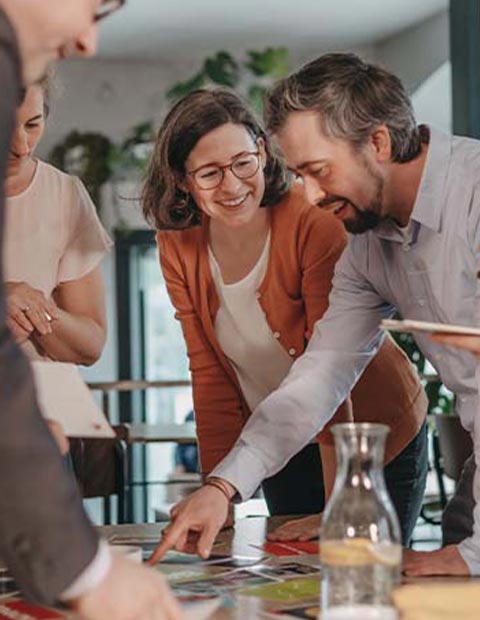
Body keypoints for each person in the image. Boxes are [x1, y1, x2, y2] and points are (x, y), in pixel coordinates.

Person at [151, 53, 480, 579]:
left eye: (318, 171)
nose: (310, 194)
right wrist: (223, 485)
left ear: (377, 142)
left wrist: (472, 555)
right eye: (301, 174)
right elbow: (318, 378)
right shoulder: (368, 248)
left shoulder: (475, 196)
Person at [0, 1, 180, 618]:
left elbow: (89, 344)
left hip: (38, 429)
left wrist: (33, 309)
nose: (18, 143)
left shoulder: (63, 195)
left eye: (32, 125)